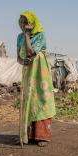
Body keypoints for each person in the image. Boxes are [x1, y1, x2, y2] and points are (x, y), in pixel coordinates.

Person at [17, 10, 56, 147]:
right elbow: (19, 57)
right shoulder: (19, 37)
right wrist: (23, 61)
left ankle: (42, 136)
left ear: (32, 23)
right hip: (28, 72)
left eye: (26, 22)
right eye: (21, 22)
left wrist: (27, 35)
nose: (23, 25)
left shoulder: (40, 35)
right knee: (29, 100)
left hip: (40, 71)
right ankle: (27, 135)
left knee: (41, 99)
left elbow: (31, 52)